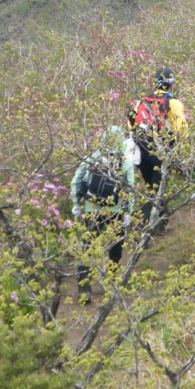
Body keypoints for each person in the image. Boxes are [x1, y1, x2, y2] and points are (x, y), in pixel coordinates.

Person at [70, 125, 136, 304]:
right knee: (115, 247)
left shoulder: (92, 159)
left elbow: (76, 181)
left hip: (92, 211)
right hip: (115, 212)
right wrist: (128, 212)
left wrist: (77, 204)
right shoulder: (125, 162)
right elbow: (129, 189)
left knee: (87, 248)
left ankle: (85, 290)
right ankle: (113, 284)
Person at [128, 67, 188, 230]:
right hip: (159, 150)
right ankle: (144, 225)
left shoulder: (141, 102)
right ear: (170, 85)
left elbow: (130, 123)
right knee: (158, 188)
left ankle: (160, 223)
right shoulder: (173, 103)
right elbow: (181, 130)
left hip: (140, 151)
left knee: (152, 186)